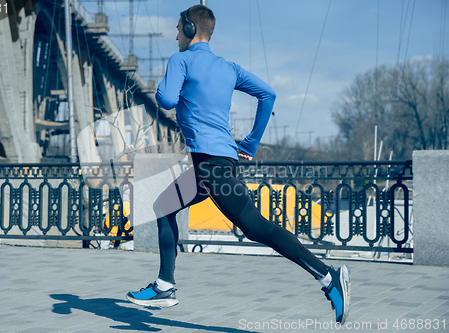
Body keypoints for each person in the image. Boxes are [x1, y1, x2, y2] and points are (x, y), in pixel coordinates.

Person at [126, 4, 351, 324]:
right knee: (164, 207)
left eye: (178, 28)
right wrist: (251, 142)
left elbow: (165, 100)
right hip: (216, 163)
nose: (175, 34)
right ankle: (165, 285)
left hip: (211, 168)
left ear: (190, 29)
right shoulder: (228, 67)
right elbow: (268, 95)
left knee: (256, 228)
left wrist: (169, 78)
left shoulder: (181, 59)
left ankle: (328, 277)